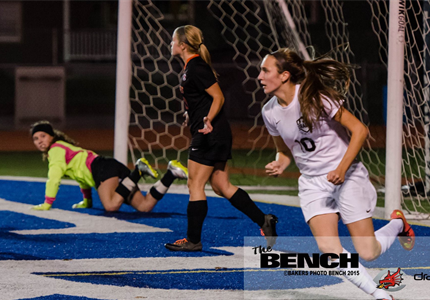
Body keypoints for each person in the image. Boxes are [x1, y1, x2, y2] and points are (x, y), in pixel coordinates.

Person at [258, 48, 415, 300]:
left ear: (285, 75)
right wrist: (280, 163)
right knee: (329, 249)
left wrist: (341, 168)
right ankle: (382, 295)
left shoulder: (314, 97)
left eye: (266, 70)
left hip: (347, 175)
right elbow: (284, 151)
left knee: (368, 252)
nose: (260, 76)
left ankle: (398, 224)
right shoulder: (269, 112)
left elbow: (360, 130)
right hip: (312, 183)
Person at [164, 25, 278, 252]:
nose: (171, 44)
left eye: (173, 40)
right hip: (215, 133)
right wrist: (192, 114)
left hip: (209, 134)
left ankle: (193, 240)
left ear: (183, 45)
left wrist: (207, 120)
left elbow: (218, 96)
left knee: (194, 184)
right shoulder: (191, 67)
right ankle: (265, 220)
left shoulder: (195, 66)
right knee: (220, 185)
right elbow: (203, 98)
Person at [30, 120, 188, 212]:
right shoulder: (63, 147)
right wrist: (87, 200)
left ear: (52, 135)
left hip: (103, 169)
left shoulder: (56, 150)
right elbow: (80, 176)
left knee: (111, 206)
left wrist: (47, 203)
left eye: (43, 136)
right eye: (36, 139)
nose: (40, 141)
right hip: (109, 167)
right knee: (144, 206)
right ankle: (171, 173)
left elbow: (54, 178)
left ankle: (138, 172)